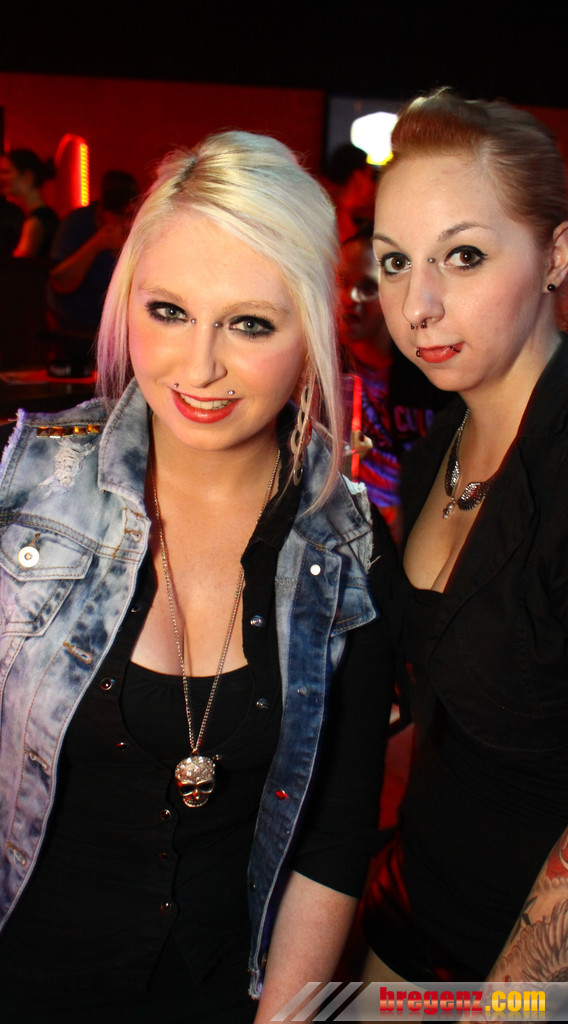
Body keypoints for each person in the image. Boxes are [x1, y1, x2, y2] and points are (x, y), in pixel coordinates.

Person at [0, 130, 393, 1023]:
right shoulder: (22, 490)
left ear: (311, 331)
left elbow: (331, 844)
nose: (200, 366)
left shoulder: (347, 546)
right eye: (169, 311)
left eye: (249, 323)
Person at [360, 89, 568, 988]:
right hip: (410, 899)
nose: (417, 305)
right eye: (394, 262)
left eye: (463, 256)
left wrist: (496, 1010)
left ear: (556, 255)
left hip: (542, 969)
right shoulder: (439, 448)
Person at [338, 225, 449, 543]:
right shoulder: (319, 370)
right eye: (342, 283)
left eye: (366, 287)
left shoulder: (435, 372)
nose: (350, 299)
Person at [47, 169, 139, 336]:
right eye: (121, 215)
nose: (126, 222)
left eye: (131, 215)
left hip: (117, 324)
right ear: (103, 210)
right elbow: (60, 282)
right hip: (73, 321)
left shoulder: (139, 227)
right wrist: (96, 245)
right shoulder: (76, 224)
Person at [0, 148, 58, 257]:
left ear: (27, 176)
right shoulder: (42, 216)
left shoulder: (35, 221)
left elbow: (19, 263)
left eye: (6, 172)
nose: (1, 178)